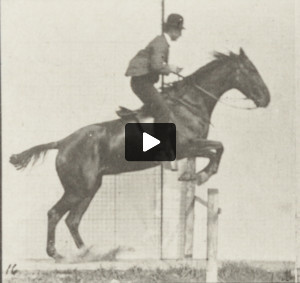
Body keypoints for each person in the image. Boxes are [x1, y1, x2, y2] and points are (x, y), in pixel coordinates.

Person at [125, 14, 185, 171]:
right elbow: (156, 66)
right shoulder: (161, 43)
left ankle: (149, 141)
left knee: (159, 106)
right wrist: (170, 68)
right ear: (172, 29)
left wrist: (170, 68)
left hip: (142, 81)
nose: (180, 34)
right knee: (163, 110)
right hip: (141, 82)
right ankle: (160, 152)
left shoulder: (162, 42)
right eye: (179, 30)